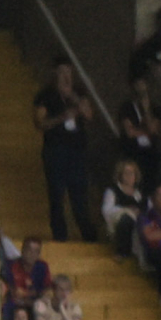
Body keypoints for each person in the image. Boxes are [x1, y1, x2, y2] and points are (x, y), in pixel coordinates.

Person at [33, 61, 99, 243]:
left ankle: (87, 234)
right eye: (62, 72)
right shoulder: (45, 95)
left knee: (80, 194)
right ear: (55, 73)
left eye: (68, 72)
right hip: (55, 150)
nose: (66, 76)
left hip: (77, 151)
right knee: (57, 194)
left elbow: (89, 115)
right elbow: (39, 123)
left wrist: (74, 98)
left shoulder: (79, 93)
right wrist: (61, 118)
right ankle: (60, 236)